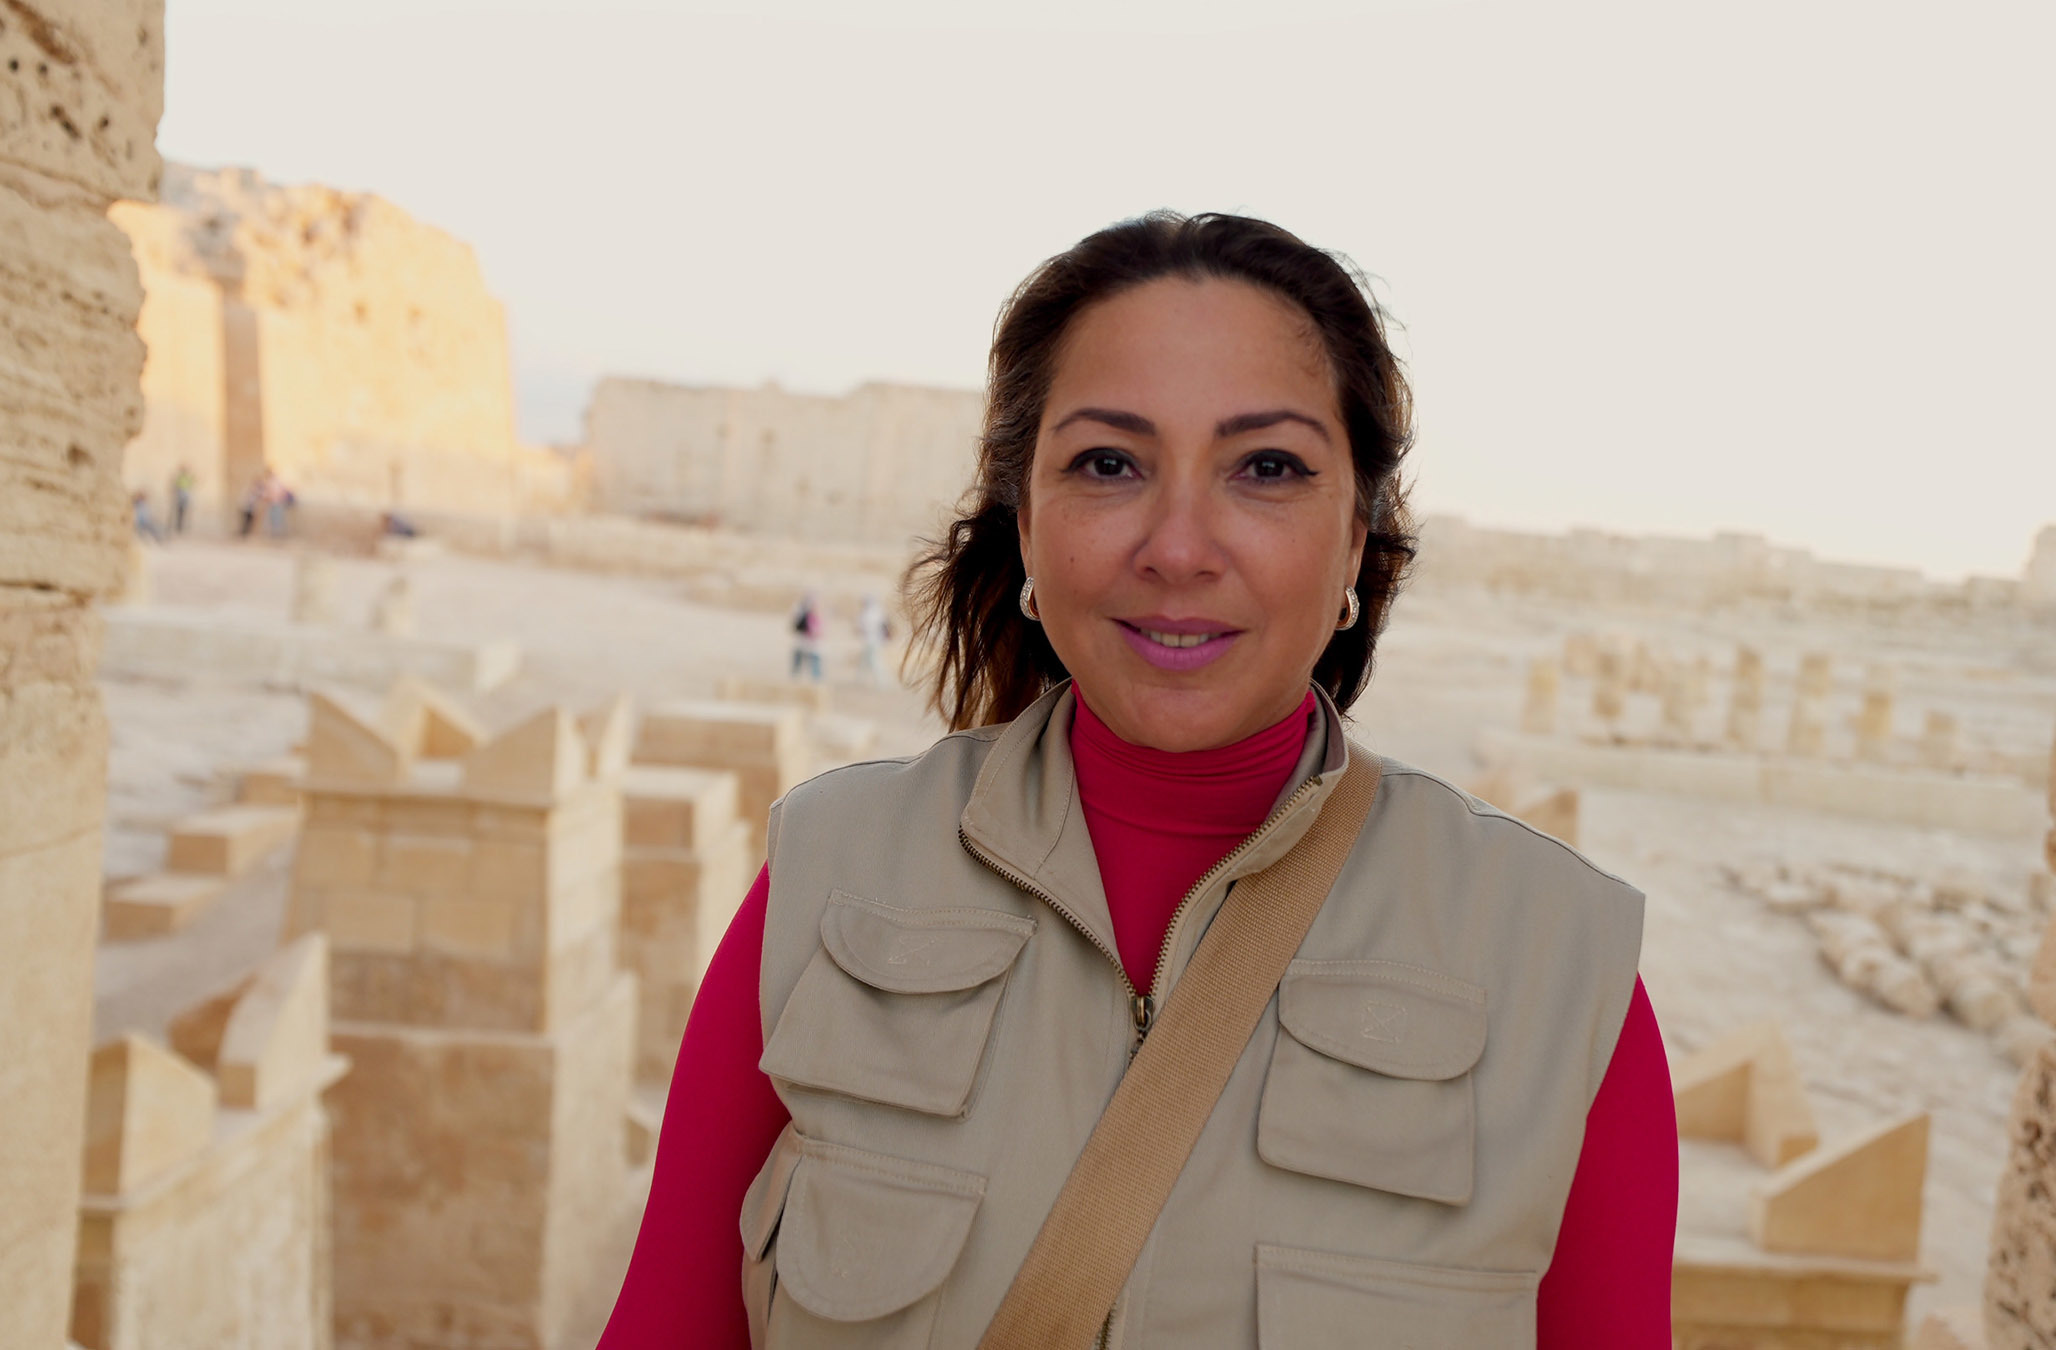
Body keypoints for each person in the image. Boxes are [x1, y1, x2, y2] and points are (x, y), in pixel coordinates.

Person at [599, 213, 1674, 1349]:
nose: (1178, 547)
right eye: (1109, 464)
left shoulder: (1559, 969)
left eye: (1267, 468)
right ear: (1027, 522)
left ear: (1357, 539)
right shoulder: (830, 880)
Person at [856, 593, 891, 686]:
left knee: (874, 662)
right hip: (876, 640)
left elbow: (862, 627)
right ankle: (860, 680)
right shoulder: (878, 612)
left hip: (871, 641)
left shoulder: (867, 614)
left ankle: (881, 681)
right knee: (865, 661)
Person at [789, 592, 823, 681]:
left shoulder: (809, 614)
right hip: (805, 642)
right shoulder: (805, 614)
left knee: (810, 661)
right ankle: (797, 677)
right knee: (806, 660)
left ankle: (812, 679)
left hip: (808, 643)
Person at [170, 464, 195, 535]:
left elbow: (191, 483)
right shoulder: (180, 477)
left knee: (184, 511)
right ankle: (179, 526)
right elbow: (176, 485)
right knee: (180, 511)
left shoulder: (187, 477)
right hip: (181, 494)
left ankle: (182, 526)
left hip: (185, 494)